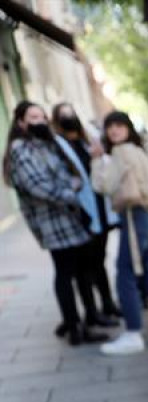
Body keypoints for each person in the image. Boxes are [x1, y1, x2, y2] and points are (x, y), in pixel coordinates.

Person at [3, 101, 108, 345]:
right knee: (66, 272)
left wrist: (74, 184)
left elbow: (69, 174)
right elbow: (38, 186)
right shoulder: (21, 149)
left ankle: (86, 318)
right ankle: (74, 327)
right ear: (21, 122)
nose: (39, 121)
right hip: (53, 221)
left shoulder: (48, 143)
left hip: (70, 217)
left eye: (41, 116)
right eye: (33, 117)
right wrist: (71, 192)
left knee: (82, 270)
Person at [90, 111, 148, 354]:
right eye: (110, 126)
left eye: (119, 125)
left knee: (125, 274)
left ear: (127, 128)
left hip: (134, 216)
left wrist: (96, 160)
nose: (114, 130)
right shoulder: (139, 152)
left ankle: (133, 332)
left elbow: (103, 185)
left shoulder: (120, 152)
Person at [51, 102, 123, 324]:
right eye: (63, 114)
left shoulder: (86, 142)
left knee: (100, 259)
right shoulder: (59, 146)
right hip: (82, 212)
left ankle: (107, 302)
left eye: (71, 112)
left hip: (100, 207)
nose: (68, 117)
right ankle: (92, 311)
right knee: (86, 264)